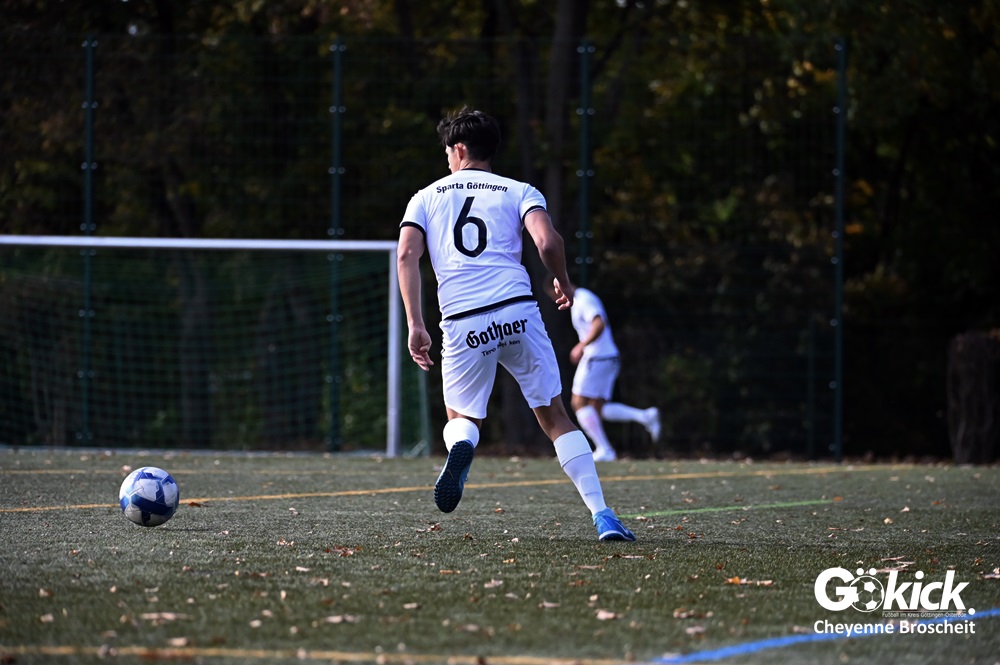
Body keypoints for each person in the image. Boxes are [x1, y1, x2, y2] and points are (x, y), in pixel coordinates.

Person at [396, 107, 634, 541]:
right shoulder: (519, 190)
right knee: (556, 416)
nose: (447, 159)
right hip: (517, 312)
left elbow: (407, 255)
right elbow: (547, 241)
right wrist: (564, 281)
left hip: (463, 320)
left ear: (459, 149)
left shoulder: (425, 196)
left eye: (448, 152)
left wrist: (416, 323)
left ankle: (463, 444)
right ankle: (602, 515)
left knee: (461, 417)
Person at [544, 281, 661, 462]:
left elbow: (599, 323)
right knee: (596, 409)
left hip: (597, 358)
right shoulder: (581, 299)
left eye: (555, 295)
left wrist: (582, 345)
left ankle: (605, 449)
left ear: (559, 287)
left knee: (578, 403)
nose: (557, 300)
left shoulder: (583, 299)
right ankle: (645, 416)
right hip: (607, 357)